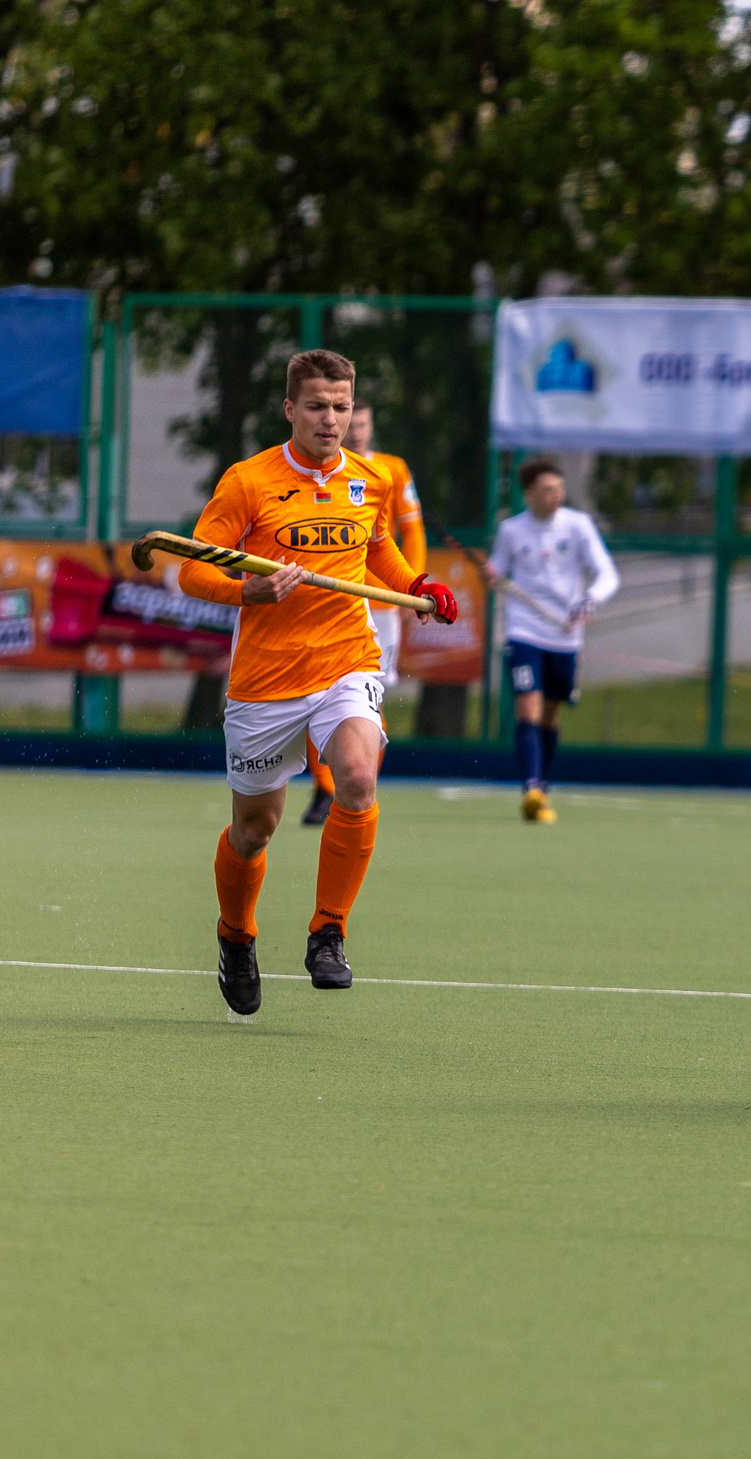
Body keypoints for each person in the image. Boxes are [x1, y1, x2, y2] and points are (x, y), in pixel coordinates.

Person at [178, 349, 458, 1013]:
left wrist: (418, 585)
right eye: (317, 407)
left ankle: (327, 930)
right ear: (289, 410)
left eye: (341, 407)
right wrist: (250, 592)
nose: (330, 420)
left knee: (357, 779)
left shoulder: (372, 478)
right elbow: (191, 570)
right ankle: (235, 934)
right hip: (266, 679)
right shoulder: (248, 482)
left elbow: (378, 550)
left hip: (345, 659)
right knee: (255, 830)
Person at [301, 403, 428, 826]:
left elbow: (410, 530)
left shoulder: (391, 470)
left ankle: (359, 784)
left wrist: (412, 589)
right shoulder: (316, 471)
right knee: (311, 694)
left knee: (365, 700)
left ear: (371, 426)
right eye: (349, 423)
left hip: (381, 606)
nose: (354, 431)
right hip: (326, 605)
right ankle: (325, 789)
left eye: (361, 423)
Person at [487, 457, 618, 823]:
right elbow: (498, 567)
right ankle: (530, 787)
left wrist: (591, 599)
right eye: (547, 490)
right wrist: (492, 573)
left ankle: (543, 787)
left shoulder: (578, 526)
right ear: (528, 494)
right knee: (527, 706)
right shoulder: (512, 530)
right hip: (524, 629)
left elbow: (607, 572)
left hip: (564, 634)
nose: (556, 496)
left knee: (550, 714)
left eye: (559, 489)